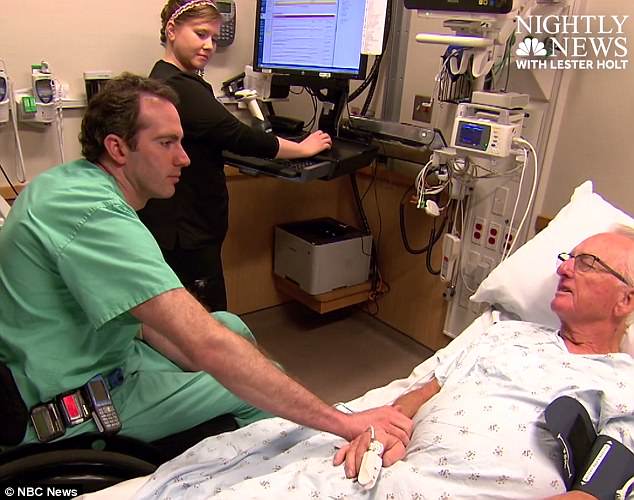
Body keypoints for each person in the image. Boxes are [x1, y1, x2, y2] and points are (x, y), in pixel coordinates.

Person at [0, 73, 410, 448]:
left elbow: (147, 319)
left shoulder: (72, 183)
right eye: (166, 143)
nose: (184, 158)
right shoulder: (93, 215)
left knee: (229, 326)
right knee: (236, 381)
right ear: (117, 148)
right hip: (67, 406)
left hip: (97, 356)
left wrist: (209, 358)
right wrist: (343, 422)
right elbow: (206, 344)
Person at [332, 228, 634, 499]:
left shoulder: (624, 384)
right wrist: (383, 429)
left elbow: (592, 494)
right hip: (388, 471)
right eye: (568, 259)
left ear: (626, 301)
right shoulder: (505, 331)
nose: (563, 269)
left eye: (587, 263)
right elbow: (427, 389)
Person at [138, 0, 332, 312]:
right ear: (171, 30)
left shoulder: (166, 77)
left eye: (214, 38)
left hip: (181, 224)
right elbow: (236, 134)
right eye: (201, 34)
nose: (209, 45)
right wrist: (302, 149)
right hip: (187, 231)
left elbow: (212, 134)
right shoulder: (178, 86)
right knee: (209, 316)